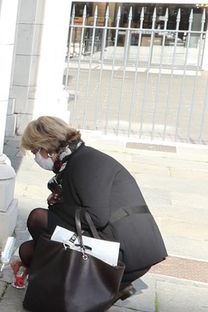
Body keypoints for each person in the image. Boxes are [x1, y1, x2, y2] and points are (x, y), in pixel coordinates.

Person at [15, 116, 165, 297]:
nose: (36, 158)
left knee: (38, 218)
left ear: (46, 147)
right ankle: (74, 283)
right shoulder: (76, 160)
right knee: (28, 251)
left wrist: (58, 205)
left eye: (34, 152)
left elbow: (96, 217)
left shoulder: (85, 163)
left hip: (126, 253)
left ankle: (105, 284)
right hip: (113, 237)